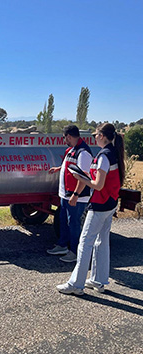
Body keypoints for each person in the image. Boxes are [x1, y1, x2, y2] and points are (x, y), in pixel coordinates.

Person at [57, 123, 125, 295]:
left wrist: (80, 178)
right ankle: (98, 280)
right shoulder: (112, 153)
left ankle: (76, 285)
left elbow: (98, 185)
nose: (94, 137)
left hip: (100, 205)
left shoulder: (104, 156)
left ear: (102, 136)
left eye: (96, 134)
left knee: (85, 243)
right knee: (101, 242)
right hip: (109, 203)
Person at [46, 125, 94, 262]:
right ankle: (62, 245)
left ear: (69, 136)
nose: (64, 140)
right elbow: (71, 166)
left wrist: (75, 195)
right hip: (65, 194)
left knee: (74, 224)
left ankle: (75, 252)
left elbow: (84, 177)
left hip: (76, 197)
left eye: (64, 137)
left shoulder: (83, 153)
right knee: (64, 221)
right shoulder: (72, 150)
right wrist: (59, 169)